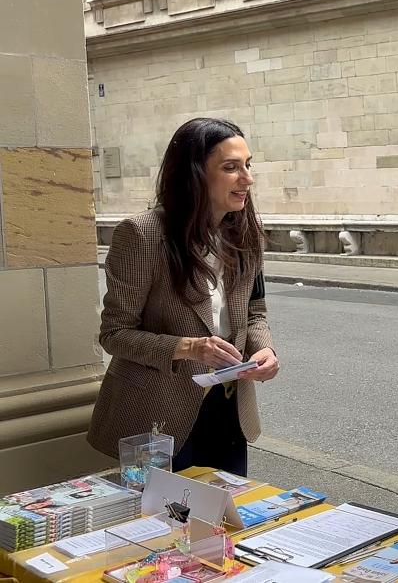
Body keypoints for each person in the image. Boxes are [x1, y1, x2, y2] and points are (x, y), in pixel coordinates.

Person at [88, 118, 280, 476]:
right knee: (163, 526)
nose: (247, 178)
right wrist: (190, 348)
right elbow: (114, 334)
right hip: (157, 413)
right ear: (194, 175)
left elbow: (255, 311)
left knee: (222, 524)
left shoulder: (246, 232)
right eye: (230, 168)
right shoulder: (141, 234)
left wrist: (264, 349)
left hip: (228, 409)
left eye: (247, 165)